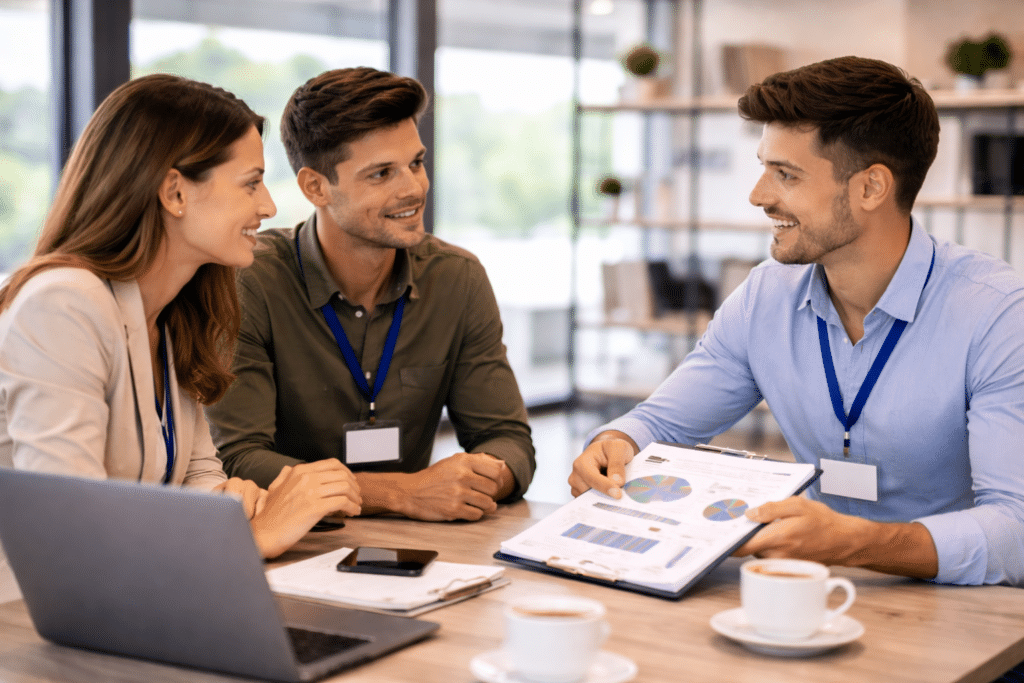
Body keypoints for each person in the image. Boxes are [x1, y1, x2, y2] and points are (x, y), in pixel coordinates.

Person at [568, 56, 1024, 588]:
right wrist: (618, 441)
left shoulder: (997, 315)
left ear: (872, 188)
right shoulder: (766, 296)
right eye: (764, 167)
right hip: (808, 592)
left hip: (966, 616)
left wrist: (857, 543)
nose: (758, 195)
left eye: (785, 174)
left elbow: (1015, 532)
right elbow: (661, 425)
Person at [0, 74, 361, 560]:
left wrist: (232, 502)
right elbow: (69, 529)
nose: (268, 206)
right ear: (174, 193)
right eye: (251, 183)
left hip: (134, 604)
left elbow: (197, 476)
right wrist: (255, 535)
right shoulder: (64, 305)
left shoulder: (171, 312)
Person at [204, 67, 535, 522]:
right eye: (381, 174)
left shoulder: (458, 279)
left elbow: (508, 439)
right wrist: (402, 493)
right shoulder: (250, 280)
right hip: (290, 541)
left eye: (416, 163)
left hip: (418, 546)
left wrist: (484, 476)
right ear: (315, 187)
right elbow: (238, 459)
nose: (414, 189)